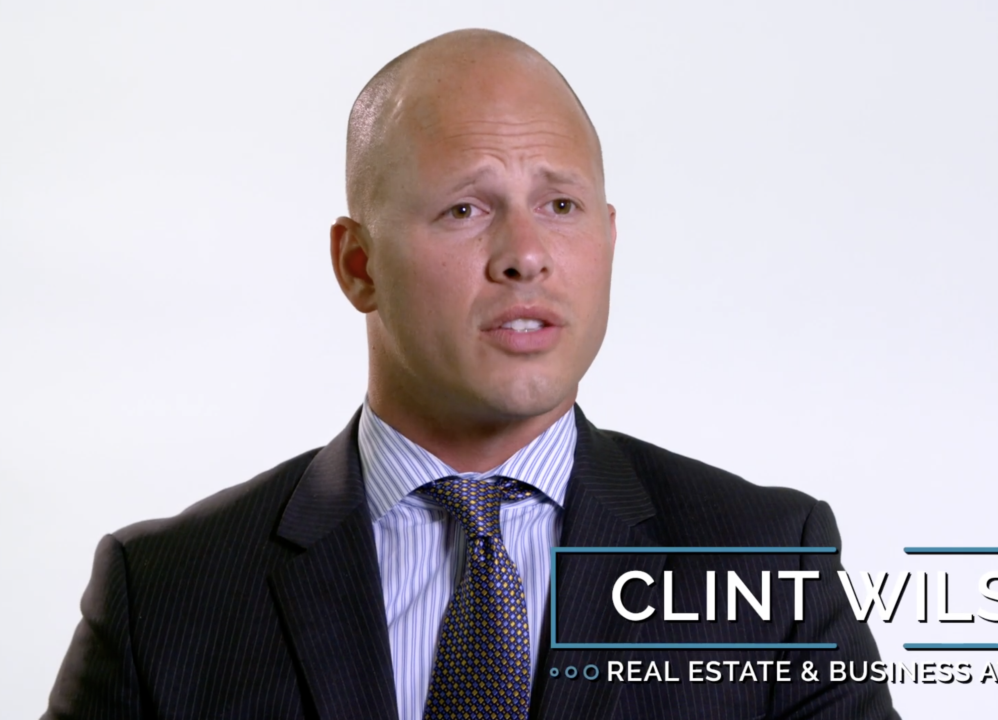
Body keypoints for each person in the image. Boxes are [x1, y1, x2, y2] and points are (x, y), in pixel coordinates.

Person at [44, 29, 899, 720]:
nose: (526, 254)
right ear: (358, 264)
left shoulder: (763, 565)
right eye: (465, 208)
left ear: (607, 238)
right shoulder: (166, 594)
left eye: (560, 205)